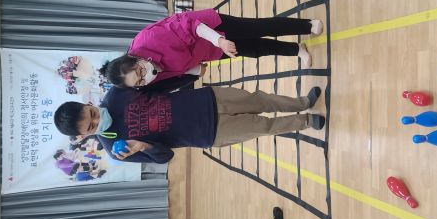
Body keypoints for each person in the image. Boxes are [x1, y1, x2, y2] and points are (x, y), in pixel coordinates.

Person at [53, 85, 325, 163]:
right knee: (263, 126)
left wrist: (191, 73)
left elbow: (160, 83)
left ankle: (301, 102)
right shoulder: (117, 151)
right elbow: (166, 156)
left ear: (88, 103)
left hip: (206, 99)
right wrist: (143, 146)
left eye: (92, 113)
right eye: (92, 126)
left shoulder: (116, 94)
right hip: (207, 133)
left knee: (259, 100)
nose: (97, 119)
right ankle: (304, 120)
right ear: (85, 136)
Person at [101, 10, 324, 90]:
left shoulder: (149, 39)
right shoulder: (147, 80)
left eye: (140, 72)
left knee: (258, 27)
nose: (145, 77)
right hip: (209, 51)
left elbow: (190, 25)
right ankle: (297, 49)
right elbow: (174, 71)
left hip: (210, 29)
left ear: (133, 58)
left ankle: (306, 26)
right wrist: (194, 71)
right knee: (255, 49)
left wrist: (219, 40)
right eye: (139, 82)